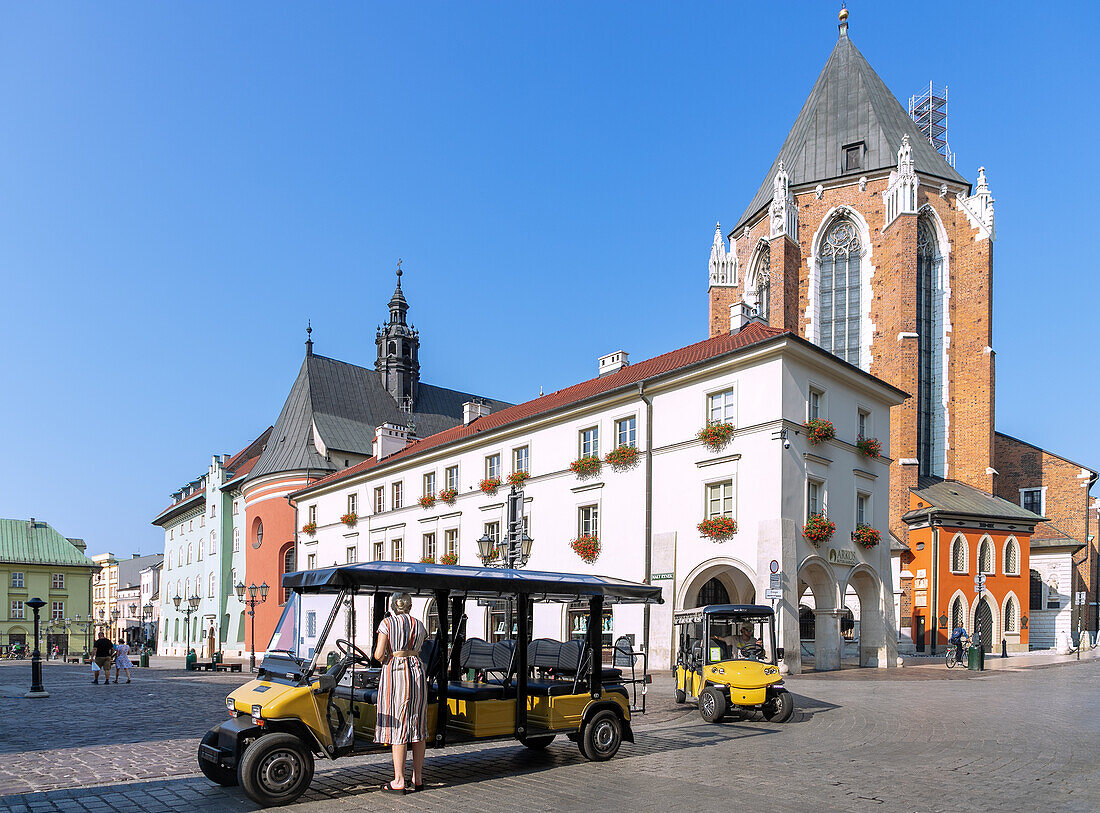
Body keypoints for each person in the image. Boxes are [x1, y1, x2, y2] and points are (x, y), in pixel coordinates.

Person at [373, 592, 428, 794]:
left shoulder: (387, 623)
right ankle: (418, 777)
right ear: (410, 606)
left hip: (396, 672)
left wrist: (384, 655)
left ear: (393, 606)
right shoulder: (419, 625)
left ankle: (398, 780)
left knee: (399, 723)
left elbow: (379, 654)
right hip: (417, 672)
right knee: (417, 723)